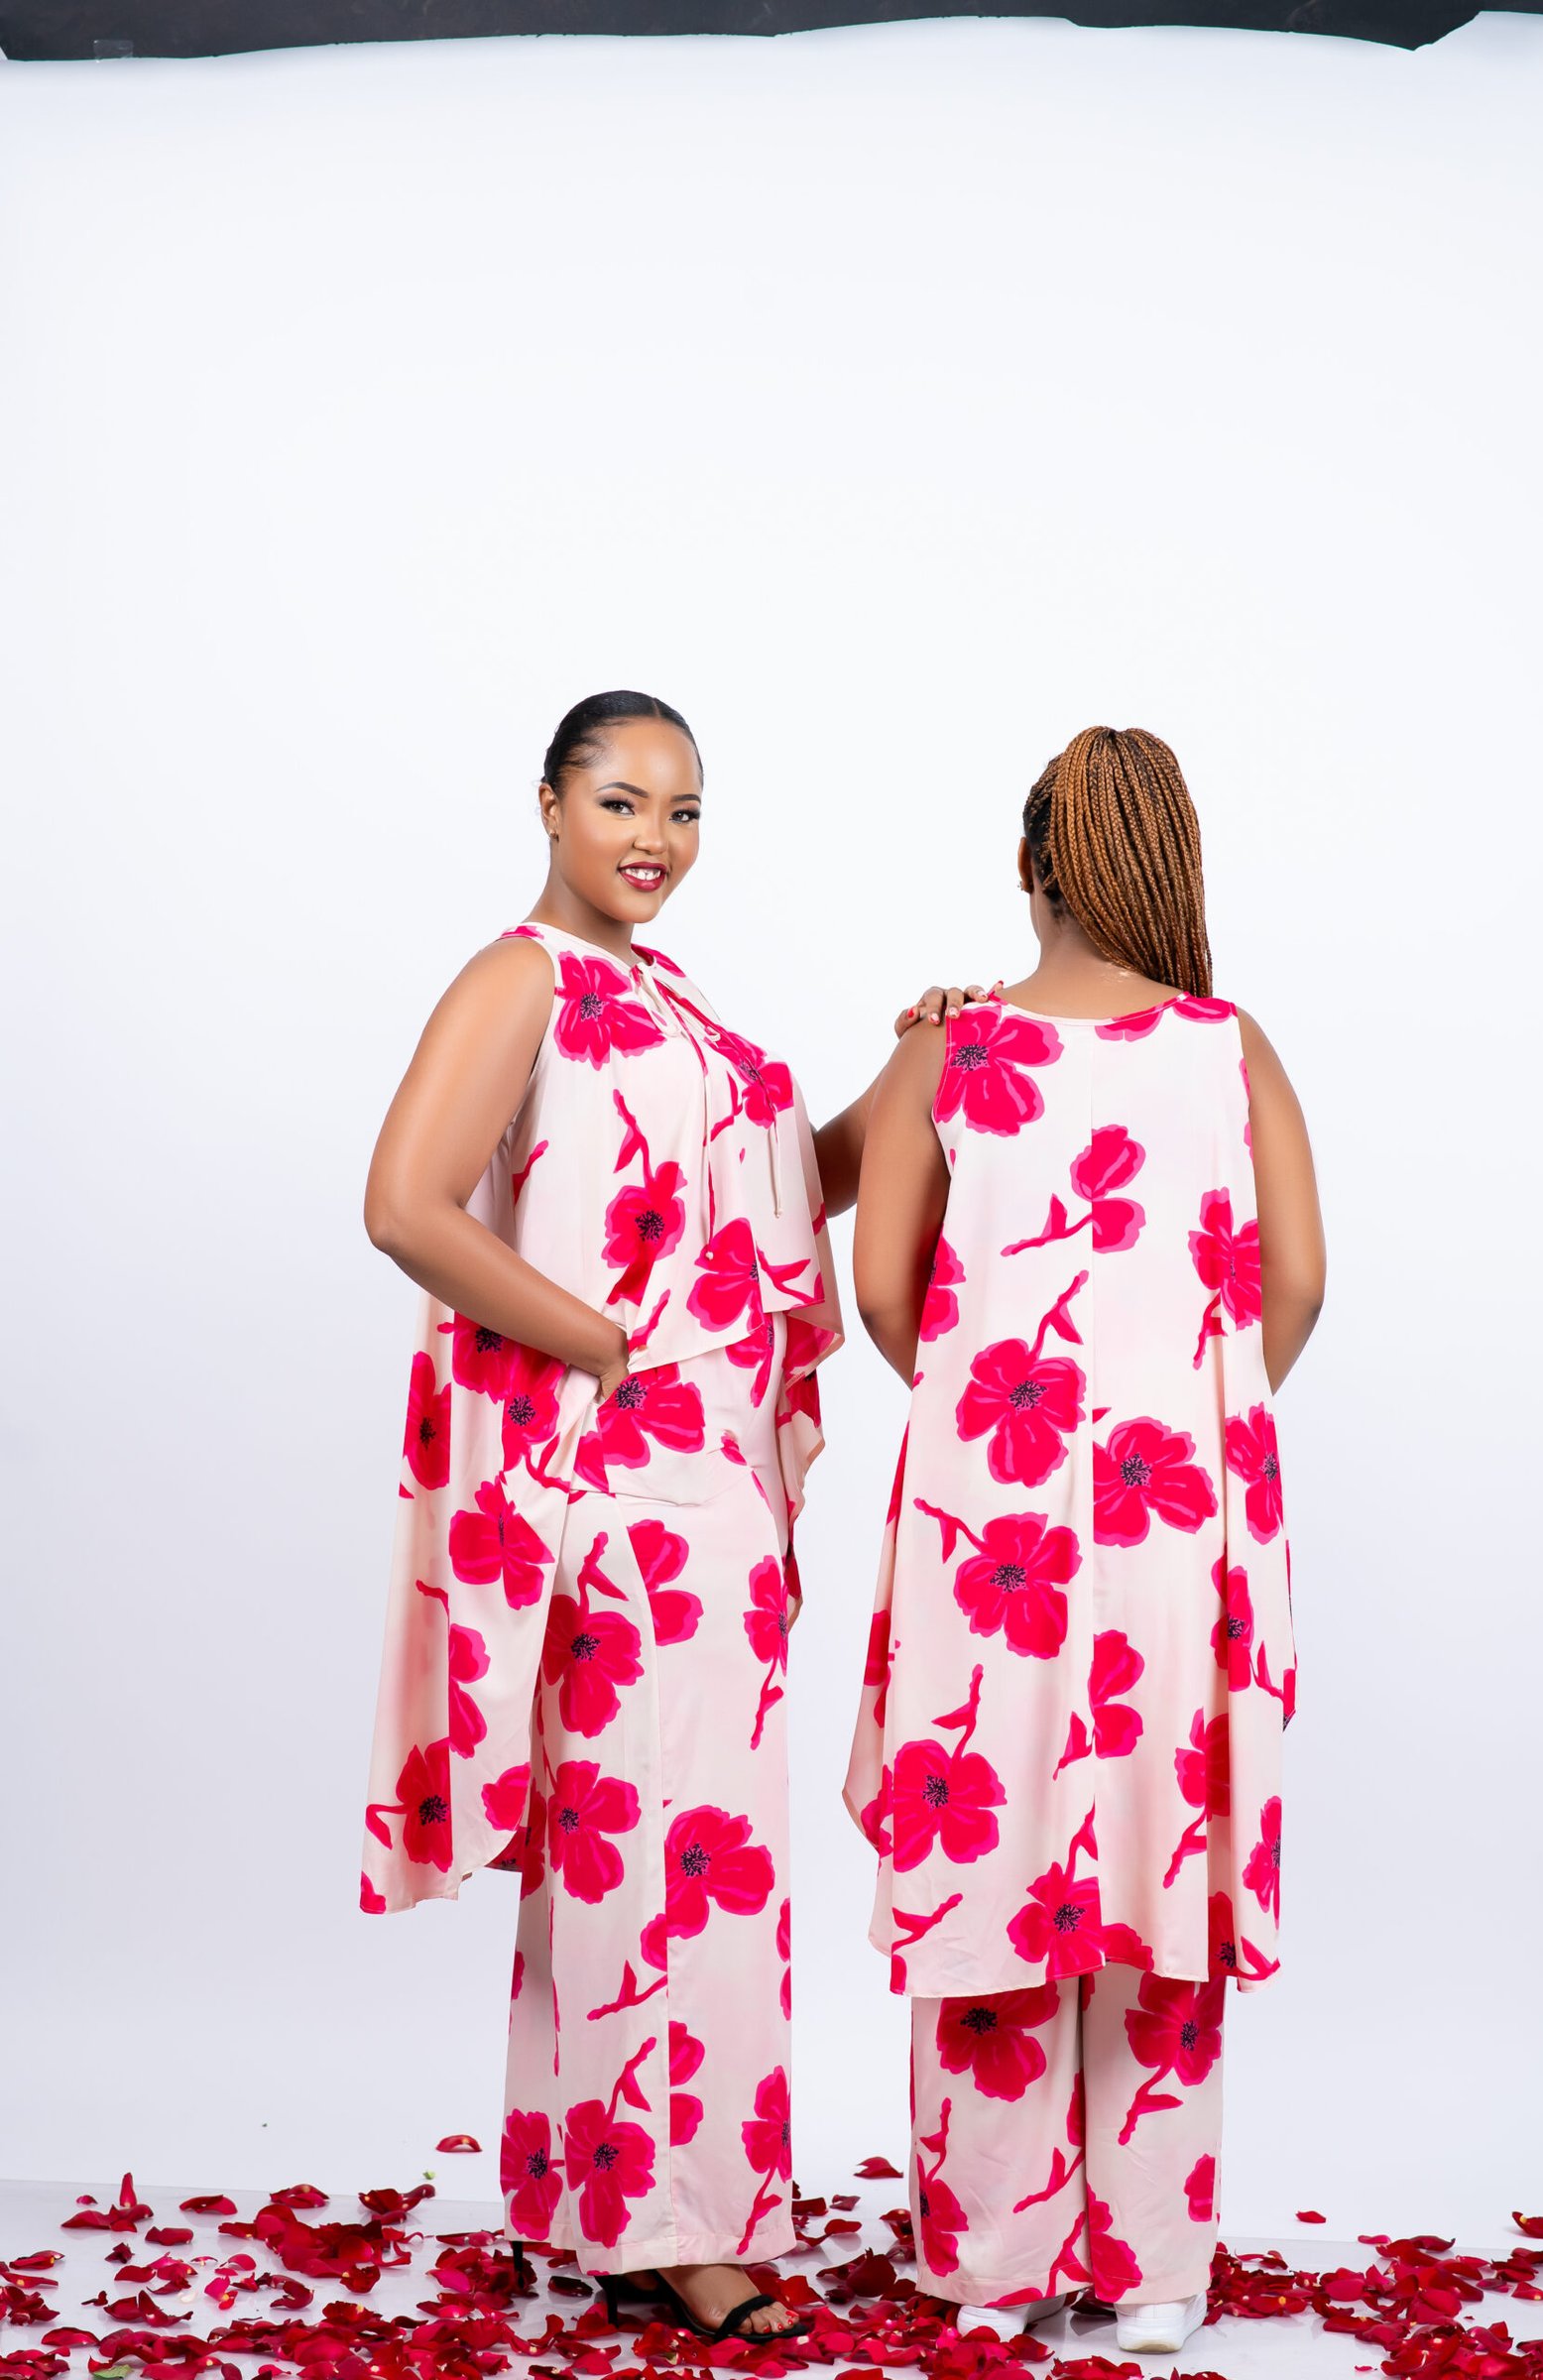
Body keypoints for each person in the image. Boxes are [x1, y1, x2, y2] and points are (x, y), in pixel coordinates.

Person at [359, 689, 981, 2344]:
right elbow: (404, 1203)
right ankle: (676, 2227)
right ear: (549, 805)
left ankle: (605, 2204)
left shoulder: (674, 1001)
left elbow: (799, 1191)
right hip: (629, 1486)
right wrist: (611, 1346)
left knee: (659, 1848)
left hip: (718, 1496)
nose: (655, 838)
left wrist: (916, 1061)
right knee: (665, 1855)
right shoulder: (522, 979)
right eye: (623, 801)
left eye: (684, 810)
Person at [844, 725, 1325, 2358]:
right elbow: (1297, 1281)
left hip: (991, 1513)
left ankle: (996, 2265)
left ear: (1027, 864)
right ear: (1171, 864)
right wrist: (1192, 1409)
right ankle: (1158, 2272)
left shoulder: (950, 1049)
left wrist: (993, 1409)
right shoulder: (1230, 1048)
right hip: (1183, 1516)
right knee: (1158, 1860)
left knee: (991, 1853)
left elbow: (882, 1289)